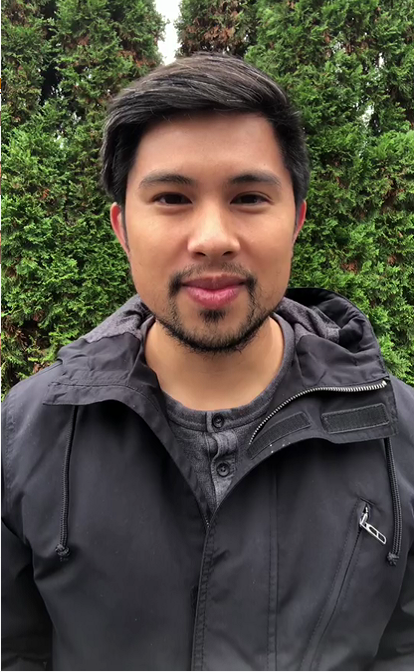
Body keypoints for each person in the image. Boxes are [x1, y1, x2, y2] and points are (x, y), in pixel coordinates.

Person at [2, 52, 413, 672]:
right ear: (122, 228)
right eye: (172, 197)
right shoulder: (26, 435)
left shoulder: (398, 436)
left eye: (249, 197)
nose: (213, 238)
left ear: (296, 220)